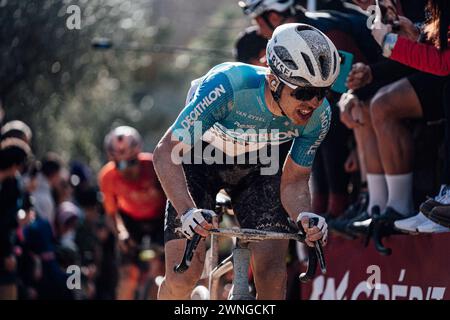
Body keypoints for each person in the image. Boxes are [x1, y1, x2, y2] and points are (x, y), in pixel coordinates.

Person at [154, 23, 336, 300]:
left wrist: (303, 216)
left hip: (260, 167)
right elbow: (165, 152)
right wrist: (187, 211)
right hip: (200, 160)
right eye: (303, 92)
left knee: (272, 276)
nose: (313, 103)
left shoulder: (320, 115)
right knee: (184, 275)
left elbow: (295, 180)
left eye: (322, 93)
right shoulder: (229, 84)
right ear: (274, 81)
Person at [98, 126, 166, 300]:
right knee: (128, 277)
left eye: (131, 162)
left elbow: (172, 200)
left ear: (139, 154)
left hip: (160, 220)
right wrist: (121, 234)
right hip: (130, 222)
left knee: (163, 275)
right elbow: (112, 214)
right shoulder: (107, 176)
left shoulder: (154, 165)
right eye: (119, 164)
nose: (126, 169)